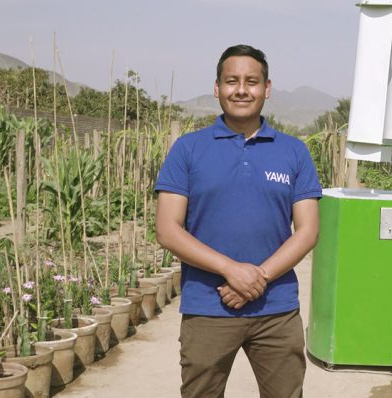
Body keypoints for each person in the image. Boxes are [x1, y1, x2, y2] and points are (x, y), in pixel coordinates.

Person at [155, 44, 321, 398]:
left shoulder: (294, 151)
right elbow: (168, 230)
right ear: (217, 88)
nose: (241, 90)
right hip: (208, 306)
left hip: (276, 310)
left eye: (252, 81)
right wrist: (231, 270)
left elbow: (307, 231)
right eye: (232, 81)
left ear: (267, 88)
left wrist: (257, 277)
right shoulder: (188, 149)